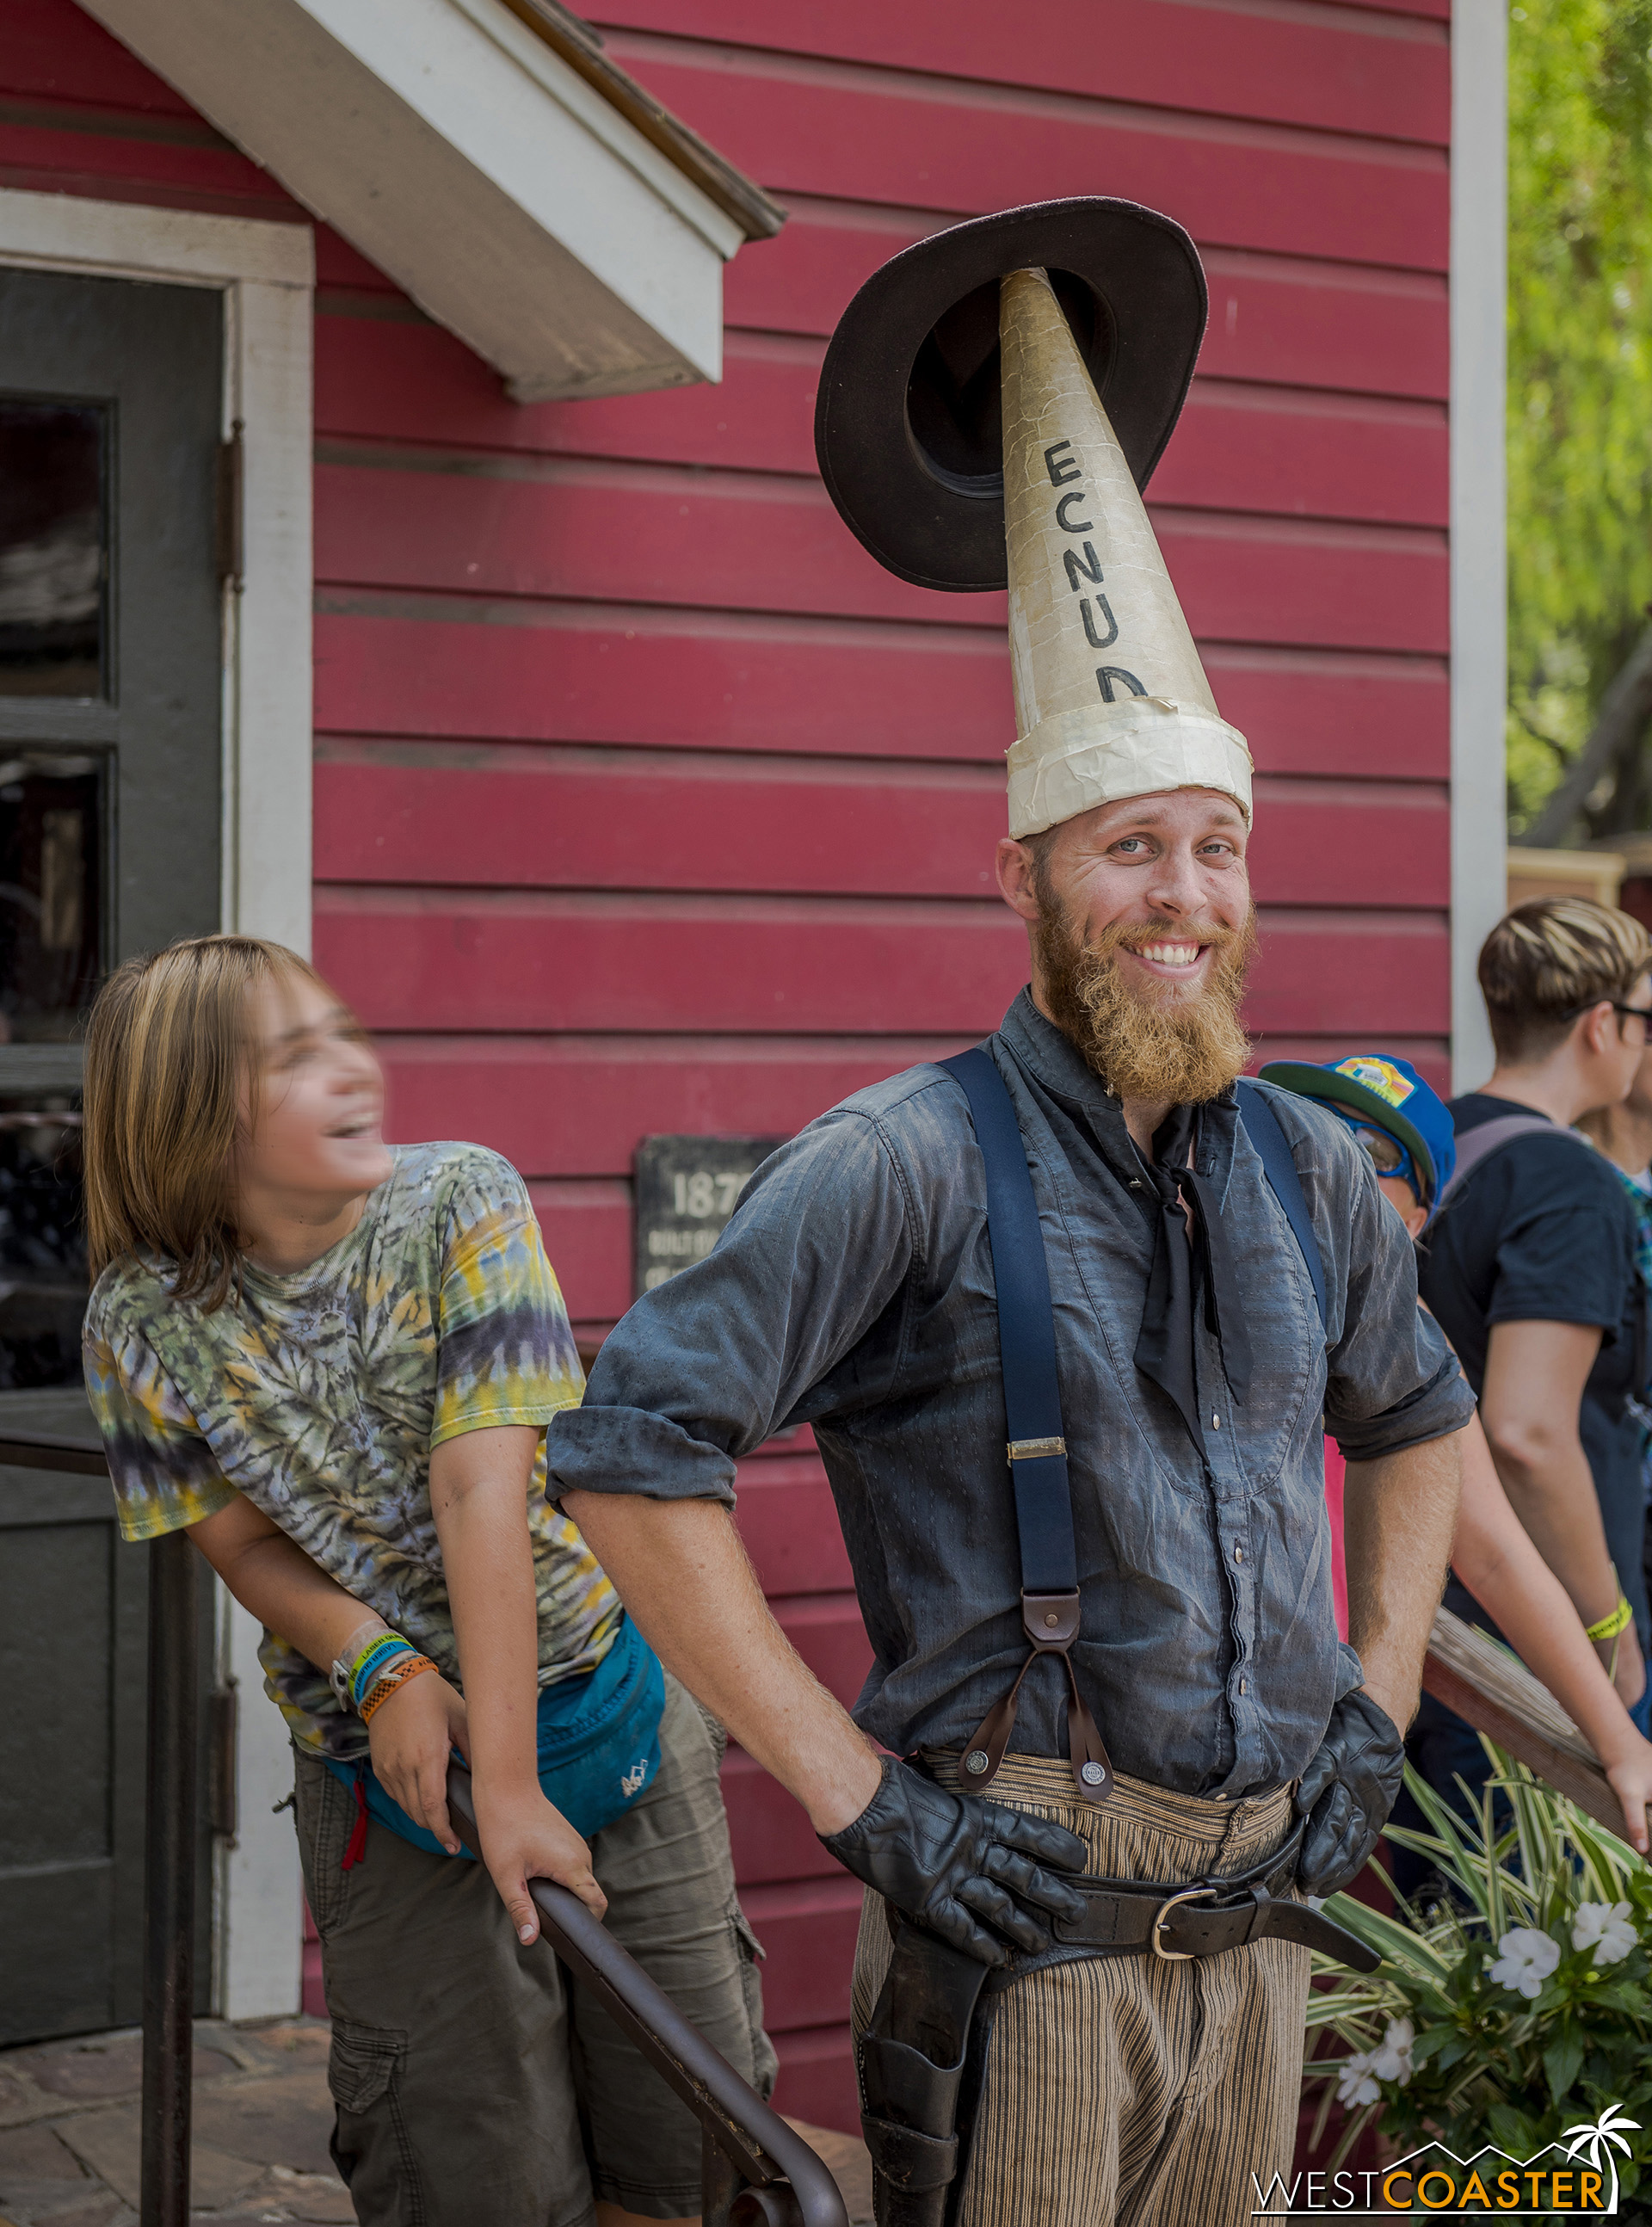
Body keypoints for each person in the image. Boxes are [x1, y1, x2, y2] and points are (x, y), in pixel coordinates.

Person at [549, 200, 1474, 2227]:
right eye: (1130, 845)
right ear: (1023, 878)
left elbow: (1418, 1419)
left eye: (1215, 846)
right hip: (1029, 1942)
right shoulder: (898, 1158)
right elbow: (627, 1458)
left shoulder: (1313, 1165)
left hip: (1265, 1926)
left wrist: (1381, 1699)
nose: (1184, 893)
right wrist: (854, 1793)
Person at [79, 935, 772, 2227]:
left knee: (687, 2143)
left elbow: (480, 1486)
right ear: (188, 1109)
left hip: (603, 1706)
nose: (355, 1068)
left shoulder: (461, 1199)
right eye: (296, 1054)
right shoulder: (137, 1324)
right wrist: (376, 1661)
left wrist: (507, 1780)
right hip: (388, 1783)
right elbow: (232, 1538)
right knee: (476, 2162)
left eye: (344, 1032)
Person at [1263, 1052, 1652, 1857]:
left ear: (1415, 1222)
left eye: (1369, 1155)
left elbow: (1500, 1558)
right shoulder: (1185, 1288)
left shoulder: (1408, 1346)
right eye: (1300, 1136)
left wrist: (1621, 1744)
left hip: (1306, 1752)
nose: (1327, 1164)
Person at [1415, 899, 1652, 1814]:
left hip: (1437, 1624)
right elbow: (1526, 1430)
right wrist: (1610, 1632)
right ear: (1605, 1025)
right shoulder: (1569, 1180)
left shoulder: (1438, 1147)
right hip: (1537, 1651)